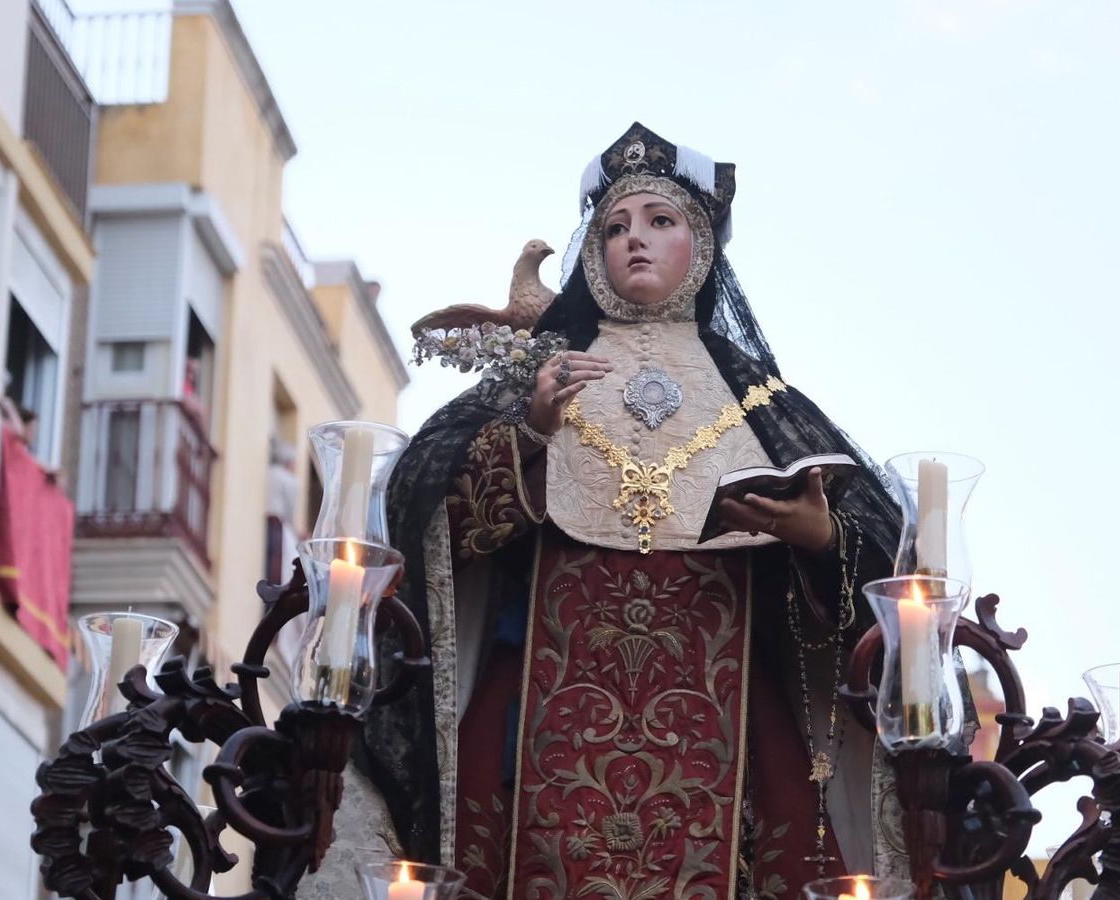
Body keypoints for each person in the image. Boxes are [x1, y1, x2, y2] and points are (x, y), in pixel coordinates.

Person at [350, 124, 905, 900]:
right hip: (542, 701)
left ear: (700, 244)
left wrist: (821, 541)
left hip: (724, 707)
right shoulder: (542, 371)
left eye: (659, 220)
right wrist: (528, 435)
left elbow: (883, 573)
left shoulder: (758, 397)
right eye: (614, 228)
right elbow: (423, 511)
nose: (633, 240)